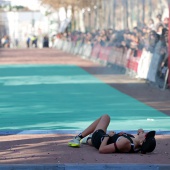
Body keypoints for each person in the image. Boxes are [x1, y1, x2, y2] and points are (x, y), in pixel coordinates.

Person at [68, 114, 156, 154]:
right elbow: (140, 133)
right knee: (90, 141)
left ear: (142, 142)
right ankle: (87, 140)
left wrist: (108, 136)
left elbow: (102, 149)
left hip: (99, 138)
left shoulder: (125, 142)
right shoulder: (134, 142)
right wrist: (140, 132)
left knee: (105, 117)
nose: (145, 133)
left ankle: (78, 138)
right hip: (102, 140)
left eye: (145, 135)